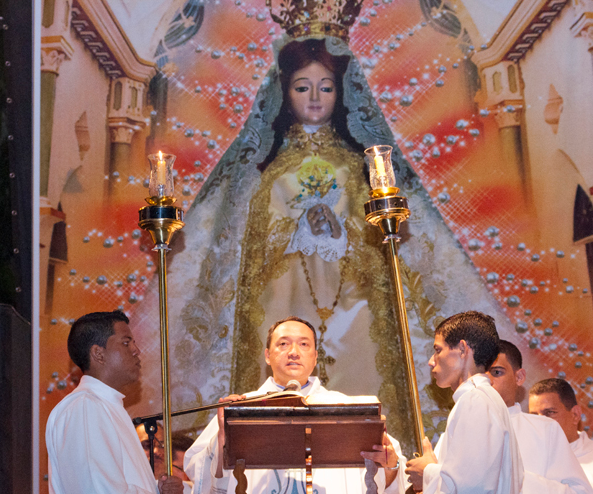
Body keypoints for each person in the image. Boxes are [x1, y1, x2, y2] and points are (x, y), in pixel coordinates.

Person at [129, 8, 517, 455]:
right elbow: (246, 248)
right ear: (284, 93)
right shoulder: (266, 174)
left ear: (342, 93)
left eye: (325, 87)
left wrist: (343, 232)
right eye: (302, 87)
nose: (314, 97)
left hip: (354, 303)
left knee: (362, 382)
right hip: (283, 293)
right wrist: (291, 232)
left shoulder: (361, 166)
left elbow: (379, 238)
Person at [184, 316, 409, 494]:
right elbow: (198, 472)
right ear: (267, 355)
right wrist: (223, 438)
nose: (293, 352)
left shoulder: (345, 407)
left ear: (315, 357)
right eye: (283, 344)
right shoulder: (242, 408)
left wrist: (390, 466)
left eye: (304, 344)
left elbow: (390, 474)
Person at [46, 310, 183, 494]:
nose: (136, 350)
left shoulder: (106, 406)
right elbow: (97, 488)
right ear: (98, 354)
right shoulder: (86, 407)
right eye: (126, 343)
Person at [404, 311, 523, 494]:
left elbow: (472, 487)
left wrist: (427, 471)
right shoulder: (483, 398)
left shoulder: (475, 400)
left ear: (462, 349)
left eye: (437, 350)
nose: (430, 362)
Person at [488, 340, 593, 494]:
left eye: (497, 372)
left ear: (519, 377)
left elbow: (581, 492)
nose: (487, 381)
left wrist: (516, 479)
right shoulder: (458, 430)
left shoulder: (545, 429)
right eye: (479, 375)